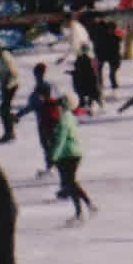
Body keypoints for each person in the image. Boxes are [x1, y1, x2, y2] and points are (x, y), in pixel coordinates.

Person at [47, 91, 96, 220]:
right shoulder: (69, 116)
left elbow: (61, 140)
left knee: (70, 183)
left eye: (59, 104)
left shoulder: (64, 119)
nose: (57, 107)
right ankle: (85, 207)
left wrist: (53, 156)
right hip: (72, 154)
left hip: (69, 155)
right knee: (71, 183)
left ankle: (84, 209)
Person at [0, 41, 19, 143]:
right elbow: (4, 70)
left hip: (11, 85)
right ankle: (10, 131)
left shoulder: (5, 57)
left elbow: (13, 72)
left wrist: (8, 86)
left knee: (4, 109)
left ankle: (9, 133)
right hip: (8, 85)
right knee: (4, 109)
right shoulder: (1, 56)